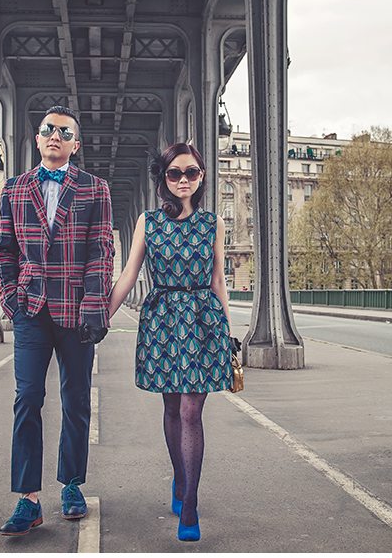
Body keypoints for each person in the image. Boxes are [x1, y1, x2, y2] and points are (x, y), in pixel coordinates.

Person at [0, 106, 114, 536]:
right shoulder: (14, 189)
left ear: (75, 144)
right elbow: (3, 250)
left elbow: (102, 251)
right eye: (48, 129)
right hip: (30, 311)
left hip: (77, 313)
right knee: (27, 398)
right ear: (39, 137)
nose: (55, 136)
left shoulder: (95, 189)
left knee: (76, 400)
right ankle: (28, 499)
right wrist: (11, 300)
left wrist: (95, 305)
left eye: (64, 132)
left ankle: (72, 485)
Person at [107, 142, 234, 542]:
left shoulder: (213, 223)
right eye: (175, 173)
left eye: (191, 173)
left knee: (192, 411)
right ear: (163, 179)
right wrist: (99, 317)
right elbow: (129, 274)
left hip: (202, 321)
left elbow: (218, 281)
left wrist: (229, 332)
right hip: (162, 320)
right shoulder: (148, 222)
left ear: (201, 177)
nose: (184, 180)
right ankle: (180, 479)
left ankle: (191, 503)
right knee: (171, 408)